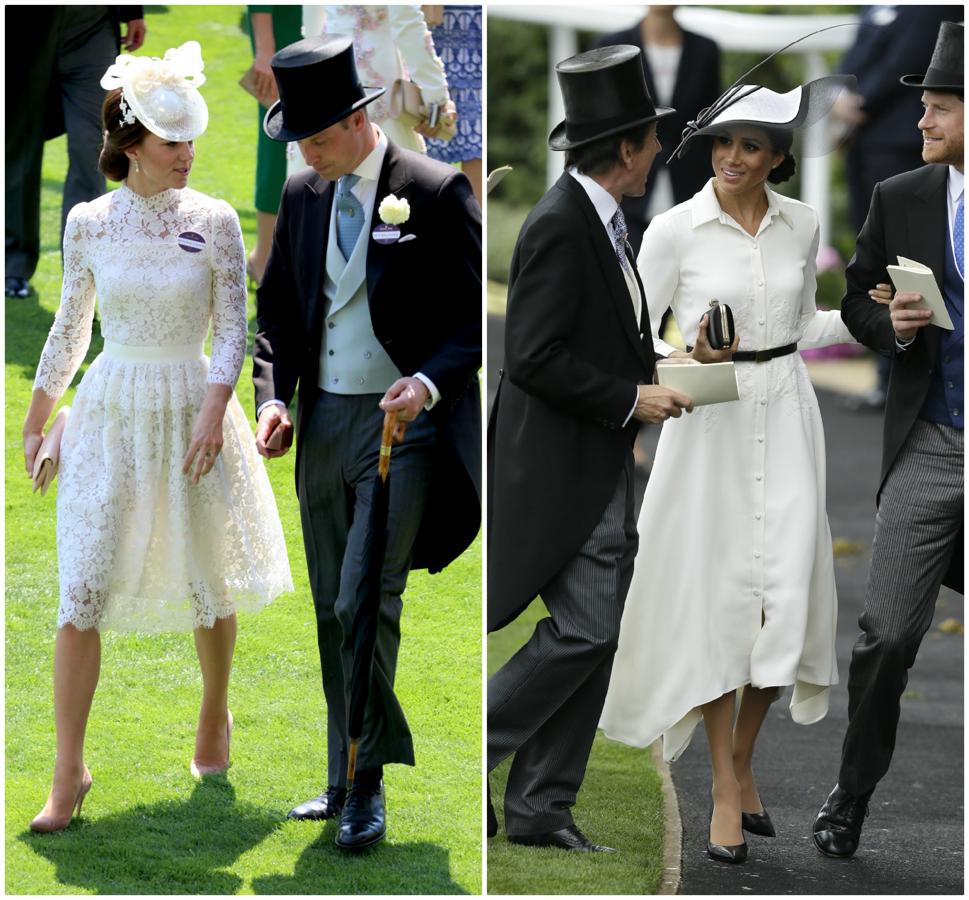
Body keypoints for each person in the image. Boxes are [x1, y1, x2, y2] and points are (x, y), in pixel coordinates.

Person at [22, 41, 292, 834]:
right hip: (109, 411)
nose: (188, 153)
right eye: (173, 142)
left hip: (190, 406)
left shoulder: (212, 220)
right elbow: (71, 328)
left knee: (207, 573)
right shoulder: (88, 222)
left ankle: (215, 715)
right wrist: (38, 422)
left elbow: (238, 328)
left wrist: (216, 407)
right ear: (132, 145)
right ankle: (68, 772)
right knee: (82, 586)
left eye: (189, 139)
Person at [599, 75, 859, 864]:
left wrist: (874, 317)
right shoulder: (673, 230)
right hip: (706, 420)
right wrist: (691, 355)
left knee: (784, 593)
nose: (731, 157)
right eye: (722, 142)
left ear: (778, 156)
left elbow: (800, 322)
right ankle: (720, 781)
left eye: (750, 145)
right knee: (718, 603)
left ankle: (743, 758)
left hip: (785, 414)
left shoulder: (801, 223)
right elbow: (634, 341)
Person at [252, 35, 481, 851]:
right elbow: (275, 318)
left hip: (401, 429)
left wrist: (422, 384)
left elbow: (468, 328)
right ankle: (339, 772)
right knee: (326, 609)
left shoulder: (435, 189)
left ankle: (368, 787)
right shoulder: (308, 195)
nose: (309, 155)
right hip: (320, 427)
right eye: (302, 143)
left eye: (317, 138)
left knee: (363, 601)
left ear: (358, 117)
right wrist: (273, 401)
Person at [487, 45, 693, 853]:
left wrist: (672, 369)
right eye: (652, 139)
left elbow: (601, 341)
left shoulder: (603, 220)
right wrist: (627, 399)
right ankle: (485, 749)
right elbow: (529, 357)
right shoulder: (558, 225)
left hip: (597, 460)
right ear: (628, 147)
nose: (656, 153)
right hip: (560, 468)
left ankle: (541, 806)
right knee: (586, 630)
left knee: (596, 633)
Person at [813, 20, 964, 859]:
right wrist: (895, 326)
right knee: (885, 634)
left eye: (939, 107)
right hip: (932, 441)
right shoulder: (900, 197)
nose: (920, 122)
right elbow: (855, 302)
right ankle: (850, 791)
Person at [833, 5, 959, 409]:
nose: (928, 118)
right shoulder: (873, 7)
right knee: (882, 274)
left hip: (898, 143)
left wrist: (863, 98)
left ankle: (913, 377)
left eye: (936, 109)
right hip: (864, 144)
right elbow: (856, 51)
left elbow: (909, 54)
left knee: (920, 264)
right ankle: (888, 373)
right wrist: (843, 94)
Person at [5, 6, 147, 299]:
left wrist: (134, 9)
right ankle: (13, 266)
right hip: (21, 25)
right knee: (20, 145)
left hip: (94, 24)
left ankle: (82, 282)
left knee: (93, 150)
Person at [593, 4, 721, 255]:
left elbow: (710, 123)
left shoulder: (706, 50)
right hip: (626, 192)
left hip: (690, 190)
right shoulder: (611, 45)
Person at [304, 5, 455, 154]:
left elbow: (312, 23)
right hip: (377, 76)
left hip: (326, 70)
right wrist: (436, 101)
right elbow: (407, 22)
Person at [245, 5, 302, 286]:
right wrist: (265, 48)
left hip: (333, 22)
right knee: (278, 140)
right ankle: (263, 256)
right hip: (284, 28)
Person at [425, 5, 483, 204]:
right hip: (431, 40)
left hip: (472, 25)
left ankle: (476, 226)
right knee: (425, 138)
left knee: (477, 142)